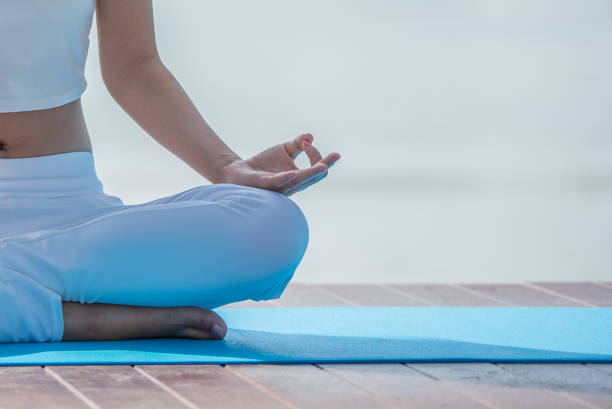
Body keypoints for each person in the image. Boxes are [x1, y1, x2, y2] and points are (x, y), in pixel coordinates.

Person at [0, 0, 341, 343]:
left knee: (276, 227)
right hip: (64, 254)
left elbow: (133, 66)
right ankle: (76, 320)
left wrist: (226, 167)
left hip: (69, 223)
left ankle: (16, 297)